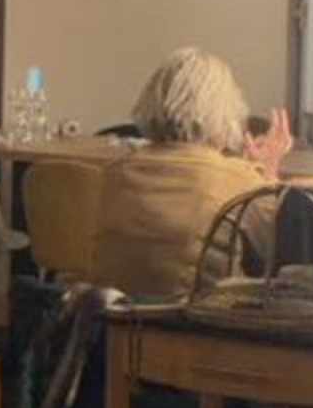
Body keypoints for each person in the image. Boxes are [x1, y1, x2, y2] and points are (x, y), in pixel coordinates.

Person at [91, 49, 295, 300]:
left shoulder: (115, 173)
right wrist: (268, 174)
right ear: (226, 115)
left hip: (114, 317)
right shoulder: (238, 180)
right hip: (197, 319)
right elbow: (275, 253)